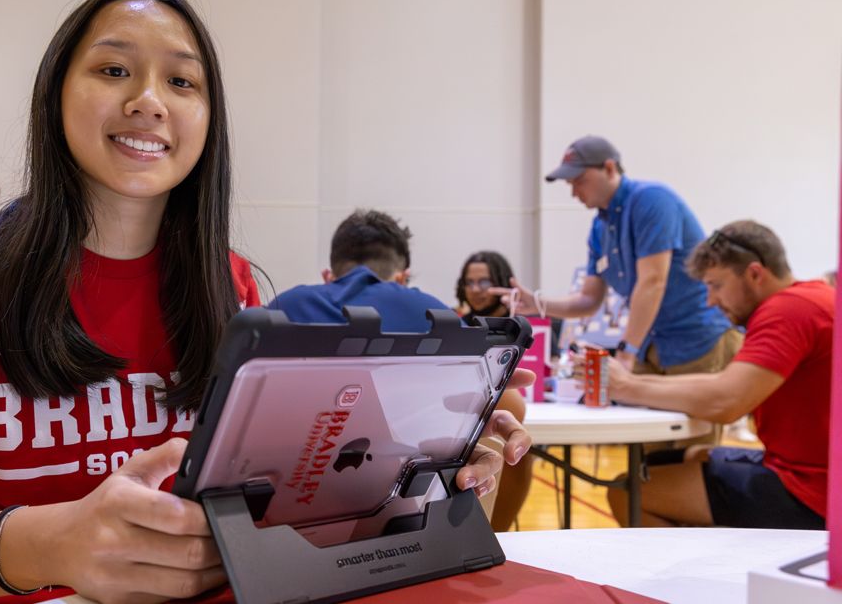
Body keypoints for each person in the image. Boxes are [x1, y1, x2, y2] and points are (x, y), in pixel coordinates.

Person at [0, 0, 530, 604]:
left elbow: (280, 512)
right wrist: (52, 544)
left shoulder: (232, 284)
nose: (148, 101)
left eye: (182, 83)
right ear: (56, 95)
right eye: (114, 68)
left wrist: (434, 465)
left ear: (208, 119)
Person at [269, 210, 533, 532]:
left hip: (286, 511)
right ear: (402, 278)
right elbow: (494, 401)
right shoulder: (432, 311)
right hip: (402, 518)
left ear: (328, 275)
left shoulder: (283, 307)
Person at [583, 221, 831, 529]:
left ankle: (694, 576)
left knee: (628, 493)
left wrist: (628, 388)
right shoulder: (810, 298)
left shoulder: (786, 311)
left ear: (755, 274)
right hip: (814, 474)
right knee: (688, 456)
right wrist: (630, 383)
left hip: (813, 493)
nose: (711, 301)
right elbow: (723, 382)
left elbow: (725, 402)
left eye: (716, 285)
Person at [494, 136, 741, 377]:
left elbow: (653, 282)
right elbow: (589, 300)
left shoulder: (652, 200)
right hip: (653, 349)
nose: (574, 193)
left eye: (579, 180)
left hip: (700, 343)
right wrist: (538, 304)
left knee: (694, 419)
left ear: (609, 168)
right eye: (569, 185)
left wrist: (625, 352)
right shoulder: (599, 229)